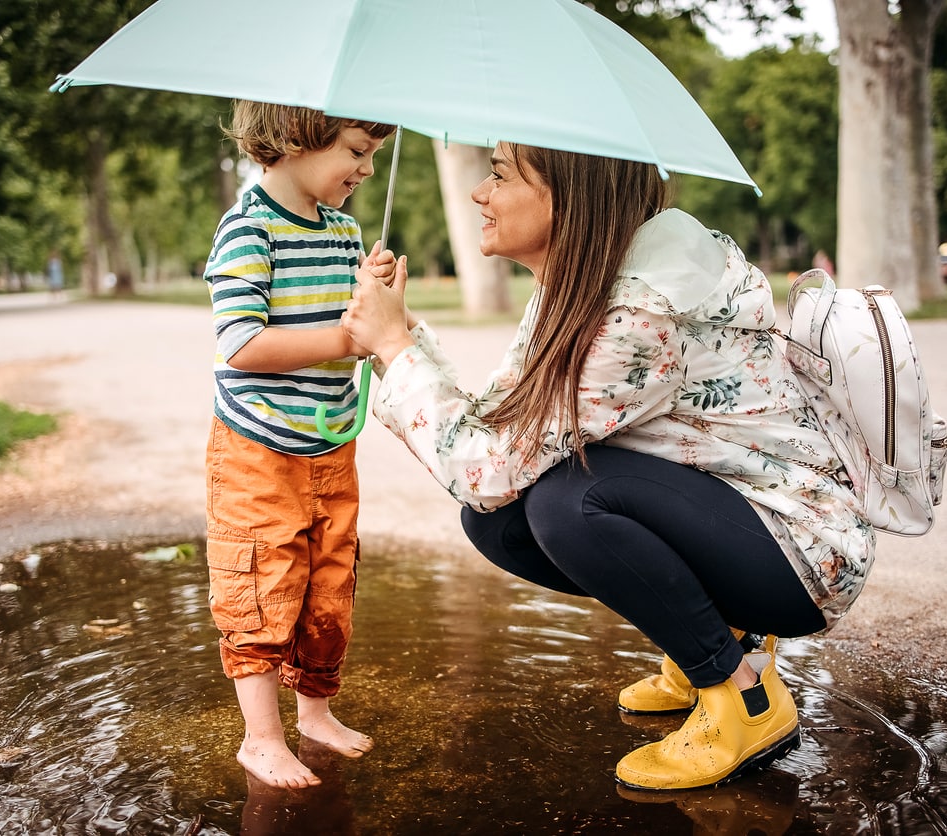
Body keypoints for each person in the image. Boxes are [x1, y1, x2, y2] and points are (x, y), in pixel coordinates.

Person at [341, 142, 876, 791]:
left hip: (800, 553)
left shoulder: (638, 313)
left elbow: (482, 467)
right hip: (738, 518)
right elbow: (501, 433)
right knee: (502, 522)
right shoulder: (581, 283)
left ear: (569, 193)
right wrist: (404, 337)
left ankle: (741, 697)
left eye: (500, 175)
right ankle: (711, 640)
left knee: (567, 504)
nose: (480, 193)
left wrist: (396, 349)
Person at [202, 100, 396, 790]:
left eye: (374, 155)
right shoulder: (248, 229)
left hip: (328, 441)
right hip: (258, 443)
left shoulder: (344, 231)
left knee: (329, 581)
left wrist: (376, 305)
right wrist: (347, 339)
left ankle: (315, 713)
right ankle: (260, 738)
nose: (366, 169)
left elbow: (360, 324)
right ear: (291, 139)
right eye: (354, 150)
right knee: (262, 576)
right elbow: (242, 344)